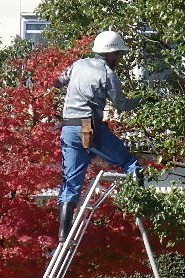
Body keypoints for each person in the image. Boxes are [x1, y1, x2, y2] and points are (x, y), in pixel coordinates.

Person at [53, 30, 141, 239]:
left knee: (71, 182)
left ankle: (63, 234)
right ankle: (141, 207)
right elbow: (122, 104)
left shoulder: (78, 64)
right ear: (110, 54)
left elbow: (58, 81)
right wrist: (143, 100)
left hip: (68, 128)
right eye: (118, 54)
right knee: (130, 162)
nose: (119, 58)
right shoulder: (107, 74)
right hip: (88, 127)